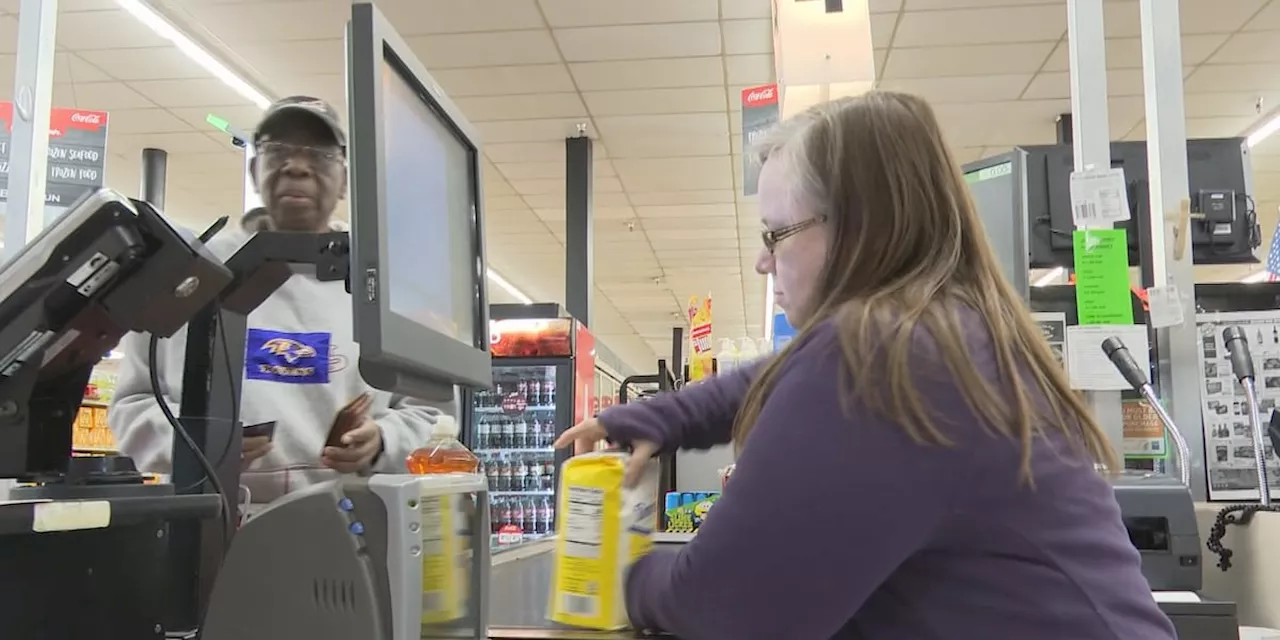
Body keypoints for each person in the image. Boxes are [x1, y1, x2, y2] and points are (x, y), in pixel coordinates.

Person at [558, 92, 1176, 640]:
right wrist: (660, 417)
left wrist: (618, 574)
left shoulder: (884, 356)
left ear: (854, 228)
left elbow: (729, 606)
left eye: (775, 234)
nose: (762, 262)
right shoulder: (939, 330)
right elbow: (770, 378)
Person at [109, 96, 449, 504]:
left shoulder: (389, 287)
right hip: (209, 529)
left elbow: (434, 414)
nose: (296, 166)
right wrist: (197, 442)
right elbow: (132, 405)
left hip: (349, 530)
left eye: (318, 155)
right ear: (255, 170)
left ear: (344, 180)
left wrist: (382, 441)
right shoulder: (191, 272)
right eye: (278, 150)